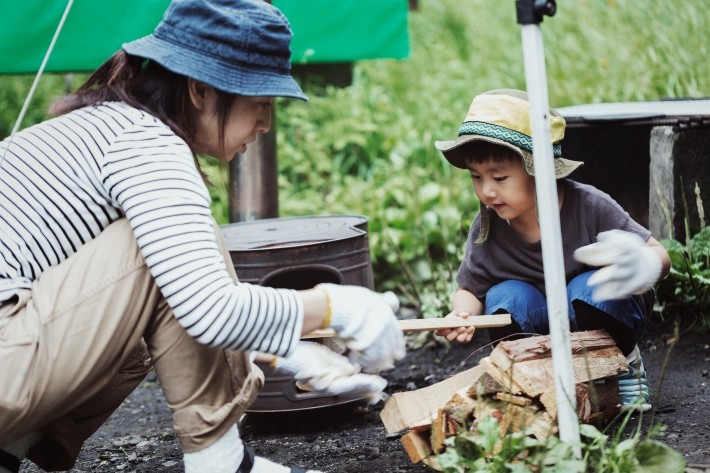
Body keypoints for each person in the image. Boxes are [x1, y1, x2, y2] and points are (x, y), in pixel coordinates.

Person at [0, 1, 406, 472]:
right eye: (261, 103)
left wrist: (286, 348)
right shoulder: (146, 143)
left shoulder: (110, 126)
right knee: (157, 255)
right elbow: (206, 309)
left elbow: (168, 311)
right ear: (199, 90)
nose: (266, 123)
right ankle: (222, 462)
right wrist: (337, 307)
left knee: (178, 258)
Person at [433, 89, 671, 412]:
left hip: (600, 317)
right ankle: (536, 378)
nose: (487, 190)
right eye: (477, 177)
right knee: (504, 298)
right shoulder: (487, 228)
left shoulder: (589, 206)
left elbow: (661, 255)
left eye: (500, 177)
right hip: (538, 325)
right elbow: (470, 289)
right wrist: (461, 314)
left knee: (588, 289)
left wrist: (642, 264)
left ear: (538, 170)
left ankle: (623, 367)